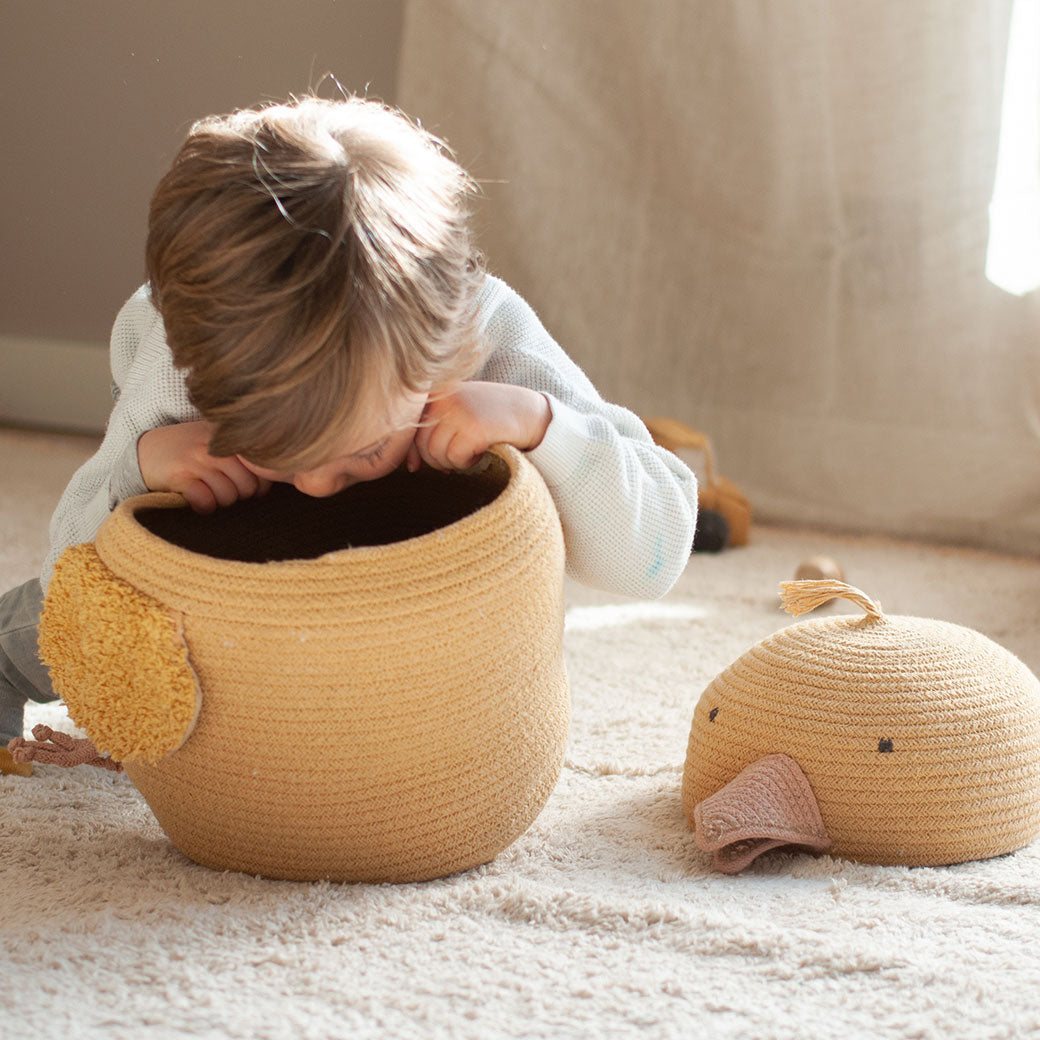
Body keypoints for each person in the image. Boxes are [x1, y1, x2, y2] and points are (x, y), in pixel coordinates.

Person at [0, 94, 697, 748]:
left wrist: (545, 428)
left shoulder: (483, 338)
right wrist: (139, 467)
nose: (317, 488)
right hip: (227, 564)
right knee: (62, 630)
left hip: (412, 581)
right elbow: (68, 571)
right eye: (276, 453)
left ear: (440, 358)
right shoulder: (184, 368)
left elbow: (656, 557)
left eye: (362, 451)